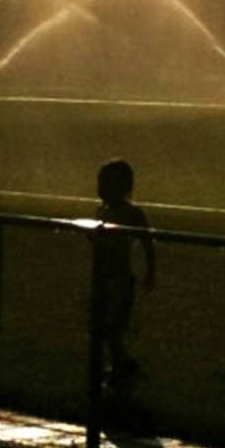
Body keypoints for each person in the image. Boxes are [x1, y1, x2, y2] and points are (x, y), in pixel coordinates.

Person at [89, 158, 156, 389]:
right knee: (102, 325)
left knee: (112, 326)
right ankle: (120, 364)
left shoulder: (132, 213)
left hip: (119, 278)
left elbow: (147, 241)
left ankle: (123, 366)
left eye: (104, 184)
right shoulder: (101, 211)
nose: (99, 189)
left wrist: (150, 271)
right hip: (103, 276)